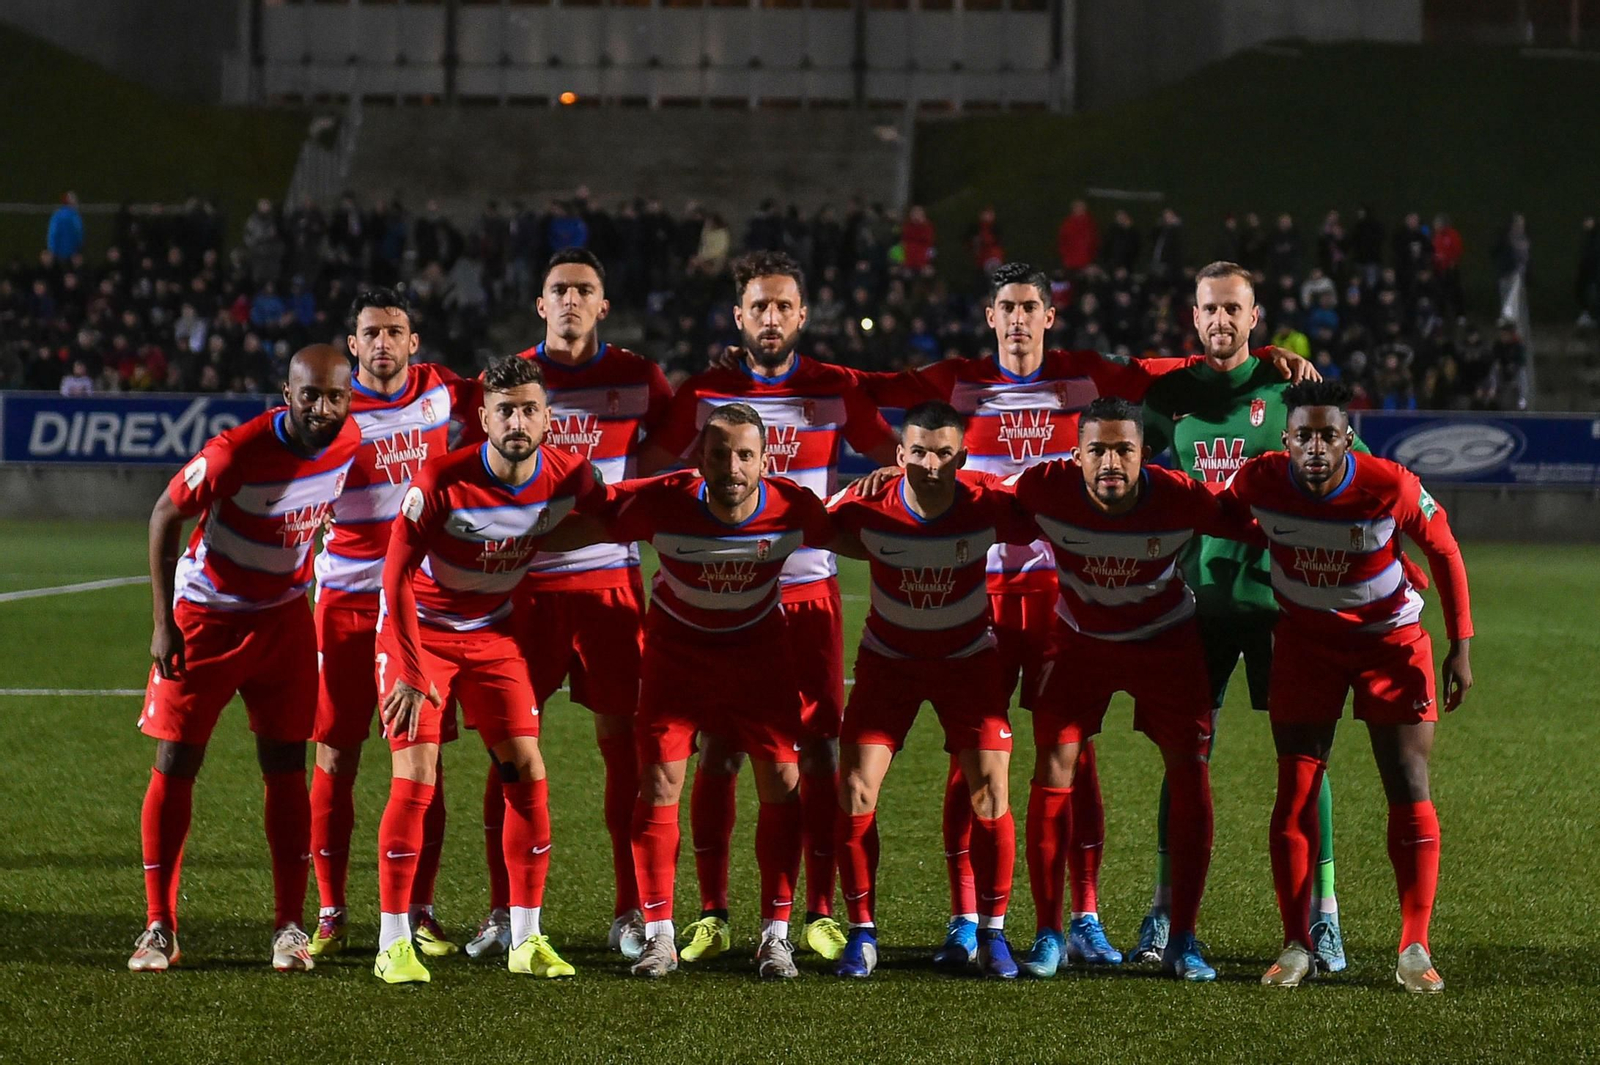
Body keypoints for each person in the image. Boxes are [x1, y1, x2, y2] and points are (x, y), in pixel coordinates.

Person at [845, 261, 1316, 969]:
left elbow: (1170, 367)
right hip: (983, 594)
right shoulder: (956, 380)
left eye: (1031, 306)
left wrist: (1257, 356)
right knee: (972, 759)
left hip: (1067, 595)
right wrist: (897, 464)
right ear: (990, 316)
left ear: (1049, 314)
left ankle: (1085, 914)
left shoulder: (1089, 376)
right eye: (1007, 307)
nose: (1019, 319)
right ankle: (967, 914)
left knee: (1076, 755)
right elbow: (867, 394)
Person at [636, 251, 898, 966]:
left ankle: (812, 912)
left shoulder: (834, 388)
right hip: (719, 588)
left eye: (784, 306)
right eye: (760, 306)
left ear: (802, 315)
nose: (772, 317)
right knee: (715, 749)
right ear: (739, 316)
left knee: (811, 752)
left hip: (805, 590)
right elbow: (647, 469)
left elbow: (895, 458)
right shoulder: (705, 391)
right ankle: (715, 912)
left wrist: (863, 490)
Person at [544, 403, 840, 979]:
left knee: (783, 778)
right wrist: (513, 534)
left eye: (746, 455)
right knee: (658, 779)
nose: (733, 466)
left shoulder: (793, 508)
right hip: (677, 656)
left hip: (759, 654)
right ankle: (659, 936)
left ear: (765, 460)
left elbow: (859, 528)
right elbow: (592, 521)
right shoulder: (662, 501)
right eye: (721, 453)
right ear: (700, 457)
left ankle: (774, 936)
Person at [1137, 262, 1356, 970]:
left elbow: (1357, 471)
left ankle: (1324, 915)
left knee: (1305, 761)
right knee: (1183, 756)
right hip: (1195, 609)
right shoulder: (1169, 395)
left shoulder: (1292, 388)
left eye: (1234, 309)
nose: (1221, 321)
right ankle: (1166, 908)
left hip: (1284, 610)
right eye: (1209, 310)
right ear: (1193, 317)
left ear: (1255, 316)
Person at [1221, 379, 1473, 992]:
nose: (1314, 447)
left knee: (1407, 783)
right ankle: (1297, 944)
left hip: (1391, 646)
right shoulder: (1258, 480)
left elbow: (1443, 549)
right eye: (1302, 435)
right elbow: (1220, 517)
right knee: (1296, 791)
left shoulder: (1389, 483)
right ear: (1285, 440)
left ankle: (1414, 946)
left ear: (1347, 438)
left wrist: (1460, 644)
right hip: (1306, 649)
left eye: (1327, 435)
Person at [462, 248, 672, 963]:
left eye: (586, 288)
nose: (573, 299)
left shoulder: (640, 378)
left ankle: (630, 909)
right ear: (540, 303)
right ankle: (502, 911)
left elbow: (675, 454)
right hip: (523, 590)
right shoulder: (511, 379)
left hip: (610, 587)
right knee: (508, 753)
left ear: (603, 304)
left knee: (628, 754)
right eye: (560, 289)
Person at [1007, 397, 1258, 982]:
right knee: (1053, 767)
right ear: (1076, 455)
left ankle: (1185, 939)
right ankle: (1049, 933)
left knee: (1191, 772)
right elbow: (976, 499)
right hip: (1079, 640)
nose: (1111, 462)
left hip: (1164, 642)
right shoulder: (1045, 487)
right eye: (1098, 449)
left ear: (1146, 453)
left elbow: (1256, 526)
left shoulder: (1180, 497)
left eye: (1124, 449)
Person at [371, 355, 603, 984]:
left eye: (530, 409)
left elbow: (617, 510)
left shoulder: (571, 476)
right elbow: (393, 576)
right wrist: (412, 670)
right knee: (415, 775)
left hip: (493, 633)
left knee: (526, 769)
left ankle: (525, 937)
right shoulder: (442, 477)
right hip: (421, 635)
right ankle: (393, 942)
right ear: (483, 418)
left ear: (549, 418)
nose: (518, 420)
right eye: (505, 410)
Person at [131, 344, 359, 973]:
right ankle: (159, 927)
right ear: (286, 393)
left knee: (286, 765)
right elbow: (163, 515)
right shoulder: (235, 452)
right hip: (206, 616)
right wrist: (162, 624)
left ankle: (289, 927)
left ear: (349, 397)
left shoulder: (352, 439)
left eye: (333, 395)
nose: (321, 407)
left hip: (285, 618)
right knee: (177, 759)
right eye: (308, 394)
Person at [827, 402, 1037, 979]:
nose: (930, 464)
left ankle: (992, 934)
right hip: (889, 662)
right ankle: (862, 933)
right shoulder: (867, 505)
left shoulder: (988, 502)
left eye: (944, 452)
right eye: (917, 451)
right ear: (899, 457)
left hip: (968, 661)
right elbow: (812, 522)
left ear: (962, 457)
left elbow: (1049, 507)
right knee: (853, 790)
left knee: (991, 793)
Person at [306, 288, 479, 960]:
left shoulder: (443, 391)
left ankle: (422, 907)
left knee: (424, 760)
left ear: (415, 343)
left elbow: (510, 397)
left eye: (395, 331)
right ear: (352, 345)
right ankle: (331, 907)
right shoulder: (334, 411)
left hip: (424, 604)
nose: (382, 343)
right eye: (370, 332)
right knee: (336, 752)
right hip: (348, 603)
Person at [48, 192, 84, 260]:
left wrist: (51, 249)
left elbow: (52, 233)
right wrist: (79, 249)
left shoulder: (57, 215)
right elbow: (79, 233)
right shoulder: (75, 216)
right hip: (72, 253)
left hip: (57, 253)